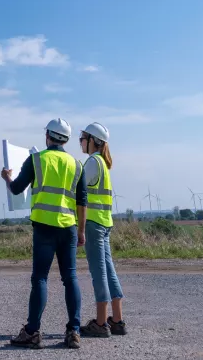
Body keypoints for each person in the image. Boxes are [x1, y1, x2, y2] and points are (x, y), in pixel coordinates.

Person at [1, 117, 86, 350]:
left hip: (44, 228)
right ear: (66, 139)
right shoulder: (76, 164)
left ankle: (32, 332)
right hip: (68, 228)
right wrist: (81, 231)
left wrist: (7, 177)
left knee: (40, 278)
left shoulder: (36, 160)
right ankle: (74, 332)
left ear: (47, 136)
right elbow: (82, 201)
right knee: (70, 278)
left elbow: (17, 188)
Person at [78, 122, 127, 337]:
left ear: (92, 141)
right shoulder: (103, 164)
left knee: (98, 273)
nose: (80, 141)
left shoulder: (92, 162)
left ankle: (100, 323)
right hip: (105, 223)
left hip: (94, 224)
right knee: (109, 271)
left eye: (83, 138)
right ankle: (116, 320)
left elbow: (77, 189)